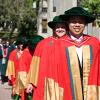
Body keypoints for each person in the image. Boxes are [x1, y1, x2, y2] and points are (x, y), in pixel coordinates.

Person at [43, 7, 100, 100]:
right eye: (73, 21)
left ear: (85, 23)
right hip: (67, 90)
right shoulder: (58, 44)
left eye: (81, 22)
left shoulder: (94, 43)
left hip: (90, 91)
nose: (77, 25)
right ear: (68, 23)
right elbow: (52, 72)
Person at [26, 16, 68, 100]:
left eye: (63, 27)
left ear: (66, 29)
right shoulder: (43, 44)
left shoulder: (70, 43)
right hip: (44, 80)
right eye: (57, 27)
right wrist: (31, 82)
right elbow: (35, 64)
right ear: (54, 29)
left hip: (64, 81)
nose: (60, 29)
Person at [14, 35, 44, 100]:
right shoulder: (26, 53)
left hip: (40, 83)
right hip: (29, 84)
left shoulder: (42, 52)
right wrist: (27, 86)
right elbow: (22, 72)